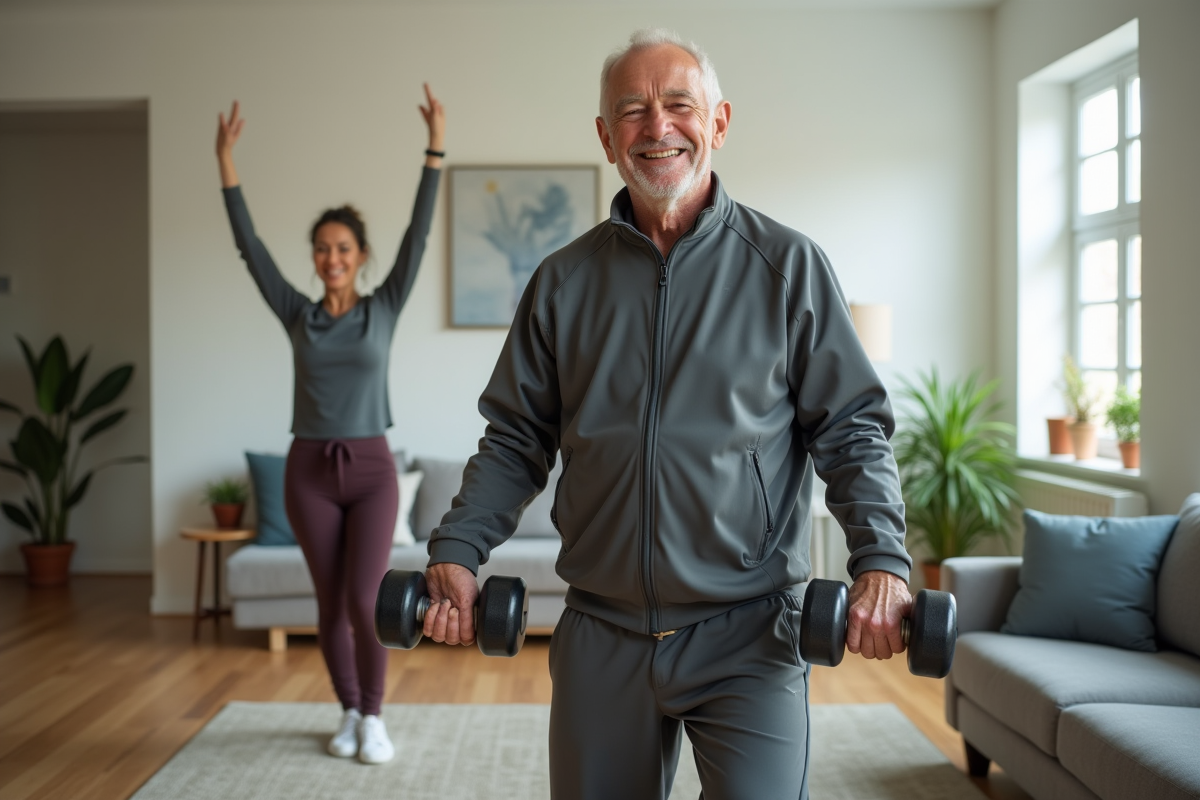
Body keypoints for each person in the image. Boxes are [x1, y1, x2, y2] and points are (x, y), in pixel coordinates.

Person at [423, 28, 913, 800]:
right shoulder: (562, 281)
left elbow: (850, 429)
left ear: (717, 122)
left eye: (678, 105)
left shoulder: (787, 266)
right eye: (632, 111)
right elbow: (517, 438)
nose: (657, 128)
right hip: (601, 633)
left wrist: (880, 561)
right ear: (605, 137)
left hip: (751, 633)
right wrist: (458, 549)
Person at [215, 85, 445, 766]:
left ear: (361, 254)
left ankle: (374, 717)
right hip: (309, 471)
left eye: (342, 247)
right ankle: (347, 709)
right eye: (321, 248)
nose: (331, 257)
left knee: (366, 598)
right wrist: (226, 163)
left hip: (374, 469)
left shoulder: (385, 306)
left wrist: (434, 149)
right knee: (328, 602)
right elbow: (249, 246)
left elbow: (419, 233)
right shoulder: (298, 314)